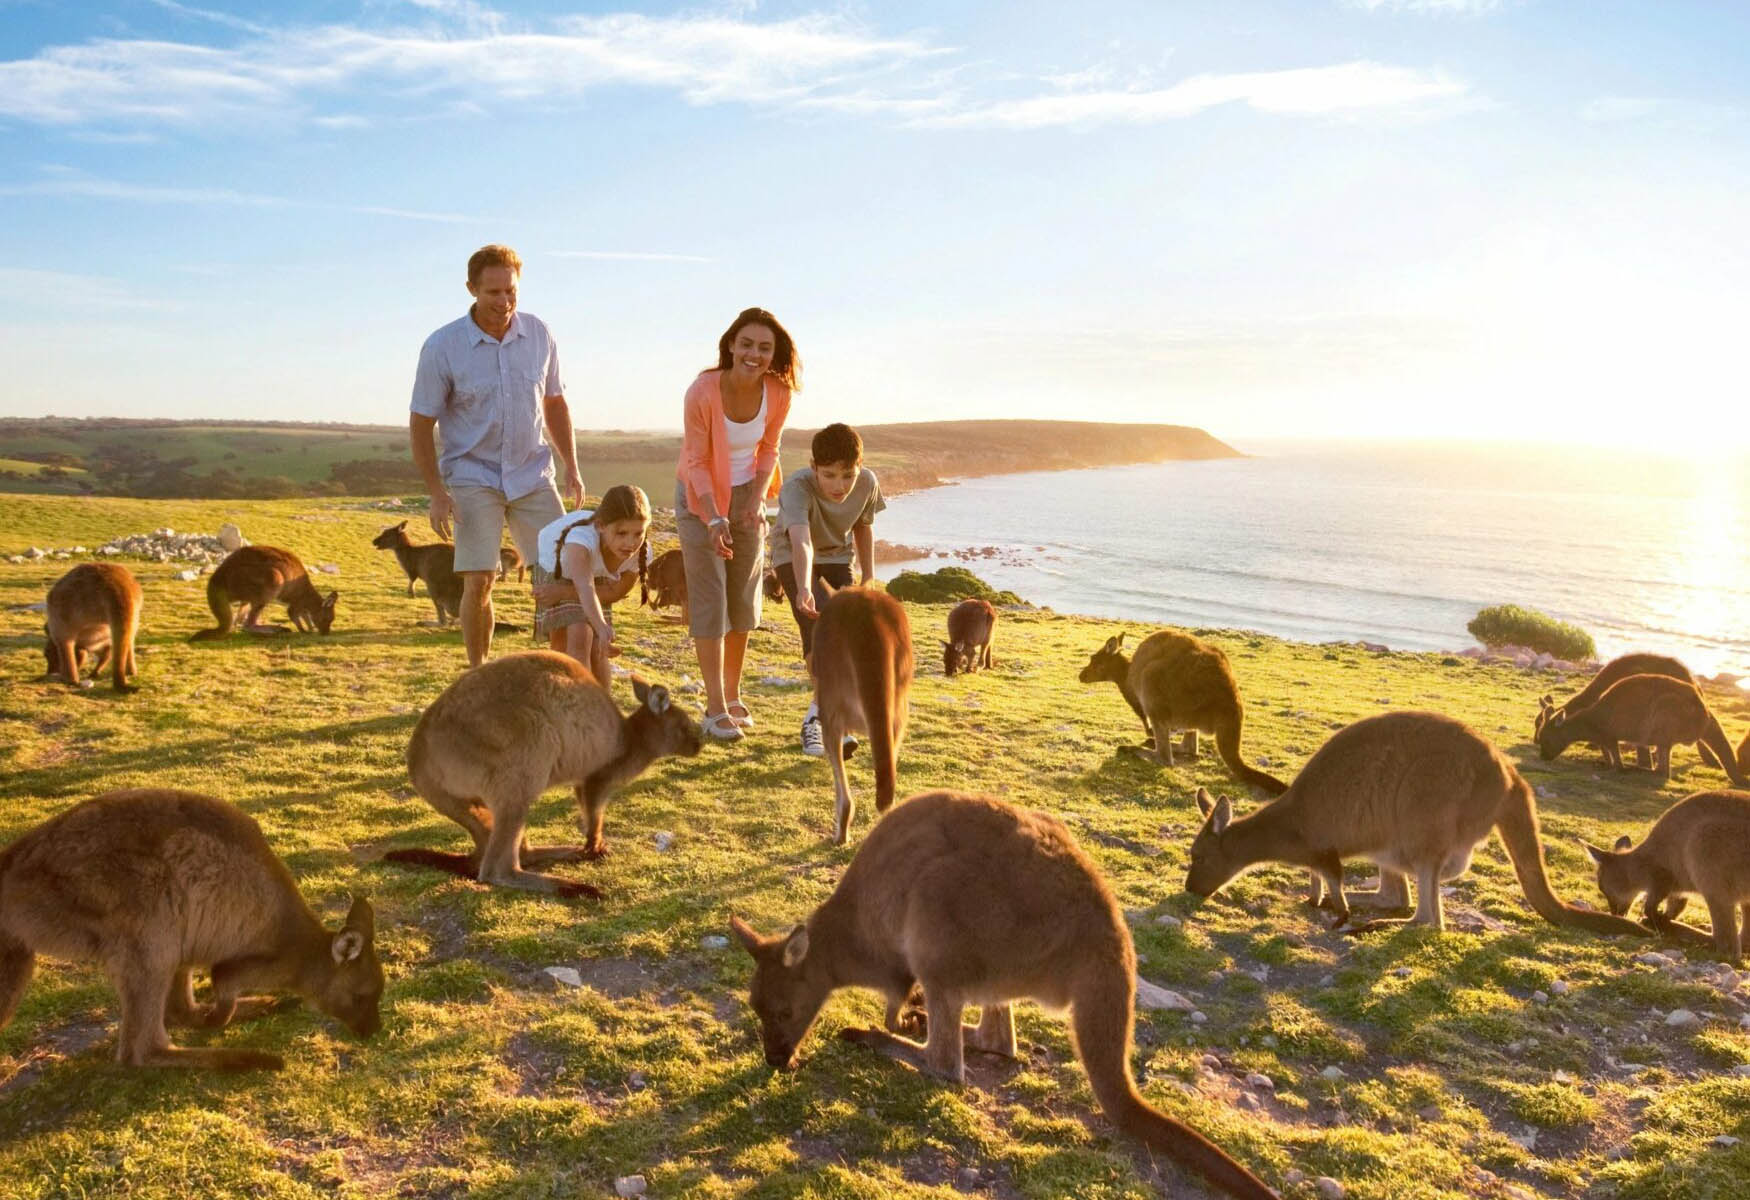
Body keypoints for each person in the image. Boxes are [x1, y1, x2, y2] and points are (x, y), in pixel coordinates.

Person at [409, 244, 584, 668]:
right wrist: (436, 492)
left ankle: (558, 669)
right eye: (493, 293)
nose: (504, 302)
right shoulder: (442, 346)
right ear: (471, 288)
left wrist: (572, 469)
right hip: (473, 475)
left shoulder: (540, 334)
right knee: (480, 579)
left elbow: (555, 404)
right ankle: (478, 674)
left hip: (532, 472)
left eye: (511, 291)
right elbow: (420, 422)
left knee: (561, 573)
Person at [675, 307, 798, 741]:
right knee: (711, 596)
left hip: (748, 493)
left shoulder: (778, 392)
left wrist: (759, 499)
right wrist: (713, 516)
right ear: (731, 345)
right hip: (699, 496)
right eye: (746, 344)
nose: (754, 354)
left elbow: (770, 448)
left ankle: (732, 690)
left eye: (765, 347)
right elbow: (696, 460)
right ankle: (713, 707)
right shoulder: (703, 391)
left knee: (743, 597)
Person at [770, 423, 884, 757]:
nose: (840, 485)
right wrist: (804, 587)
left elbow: (863, 527)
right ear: (813, 466)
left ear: (859, 468)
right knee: (820, 629)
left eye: (847, 475)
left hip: (838, 556)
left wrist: (869, 578)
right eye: (829, 475)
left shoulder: (868, 483)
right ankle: (819, 722)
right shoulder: (795, 488)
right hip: (792, 555)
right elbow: (801, 540)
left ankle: (824, 716)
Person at [530, 485, 651, 686]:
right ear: (601, 525)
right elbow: (585, 587)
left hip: (596, 571)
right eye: (621, 533)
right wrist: (601, 626)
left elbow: (615, 592)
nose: (630, 543)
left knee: (598, 646)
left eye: (638, 533)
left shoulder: (641, 553)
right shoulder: (580, 540)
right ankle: (577, 703)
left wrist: (562, 593)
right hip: (558, 567)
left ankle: (603, 708)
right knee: (578, 634)